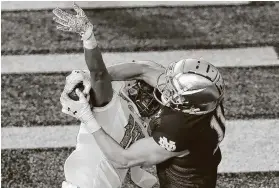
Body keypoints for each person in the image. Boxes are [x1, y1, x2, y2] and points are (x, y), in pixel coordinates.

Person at [55, 4, 226, 188]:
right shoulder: (204, 99)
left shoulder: (176, 129)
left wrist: (86, 117)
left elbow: (124, 160)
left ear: (188, 105)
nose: (161, 93)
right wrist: (88, 47)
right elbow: (141, 70)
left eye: (169, 92)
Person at [53, 4, 158, 188]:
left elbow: (100, 75)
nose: (147, 94)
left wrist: (88, 36)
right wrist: (88, 39)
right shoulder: (145, 129)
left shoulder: (120, 105)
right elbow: (99, 74)